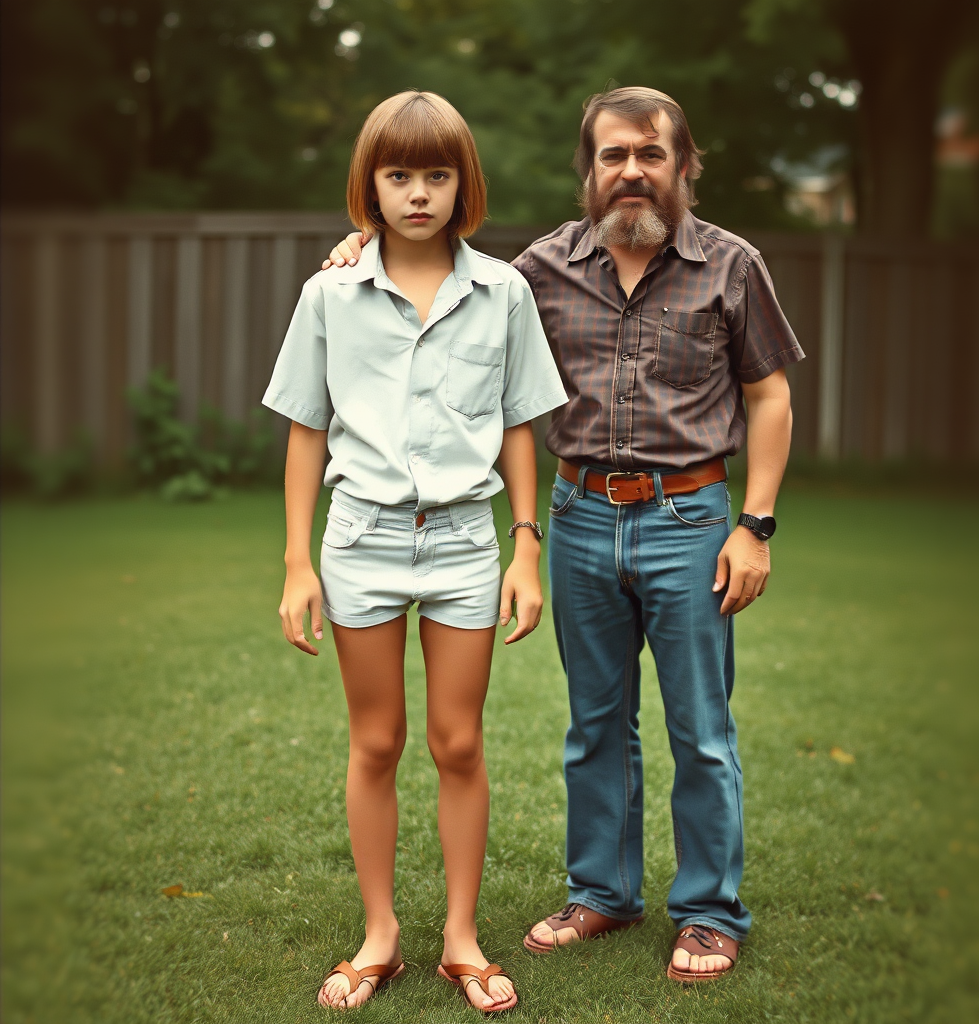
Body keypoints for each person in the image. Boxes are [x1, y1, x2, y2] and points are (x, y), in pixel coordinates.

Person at [327, 86, 804, 985]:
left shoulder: (731, 266)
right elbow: (449, 279)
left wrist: (755, 526)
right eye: (613, 155)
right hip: (579, 516)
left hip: (691, 522)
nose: (631, 171)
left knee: (701, 729)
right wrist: (363, 249)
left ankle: (707, 913)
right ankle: (604, 894)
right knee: (594, 725)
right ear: (589, 171)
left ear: (682, 166)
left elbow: (769, 395)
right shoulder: (541, 268)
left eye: (650, 154)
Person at [266, 90, 567, 1013]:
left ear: (462, 184)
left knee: (459, 740)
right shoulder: (330, 292)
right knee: (377, 741)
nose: (419, 193)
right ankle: (381, 936)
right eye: (399, 175)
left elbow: (522, 426)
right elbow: (306, 433)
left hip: (467, 543)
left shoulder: (505, 291)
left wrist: (525, 548)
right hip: (360, 538)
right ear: (371, 185)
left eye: (437, 174)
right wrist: (297, 563)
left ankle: (462, 940)